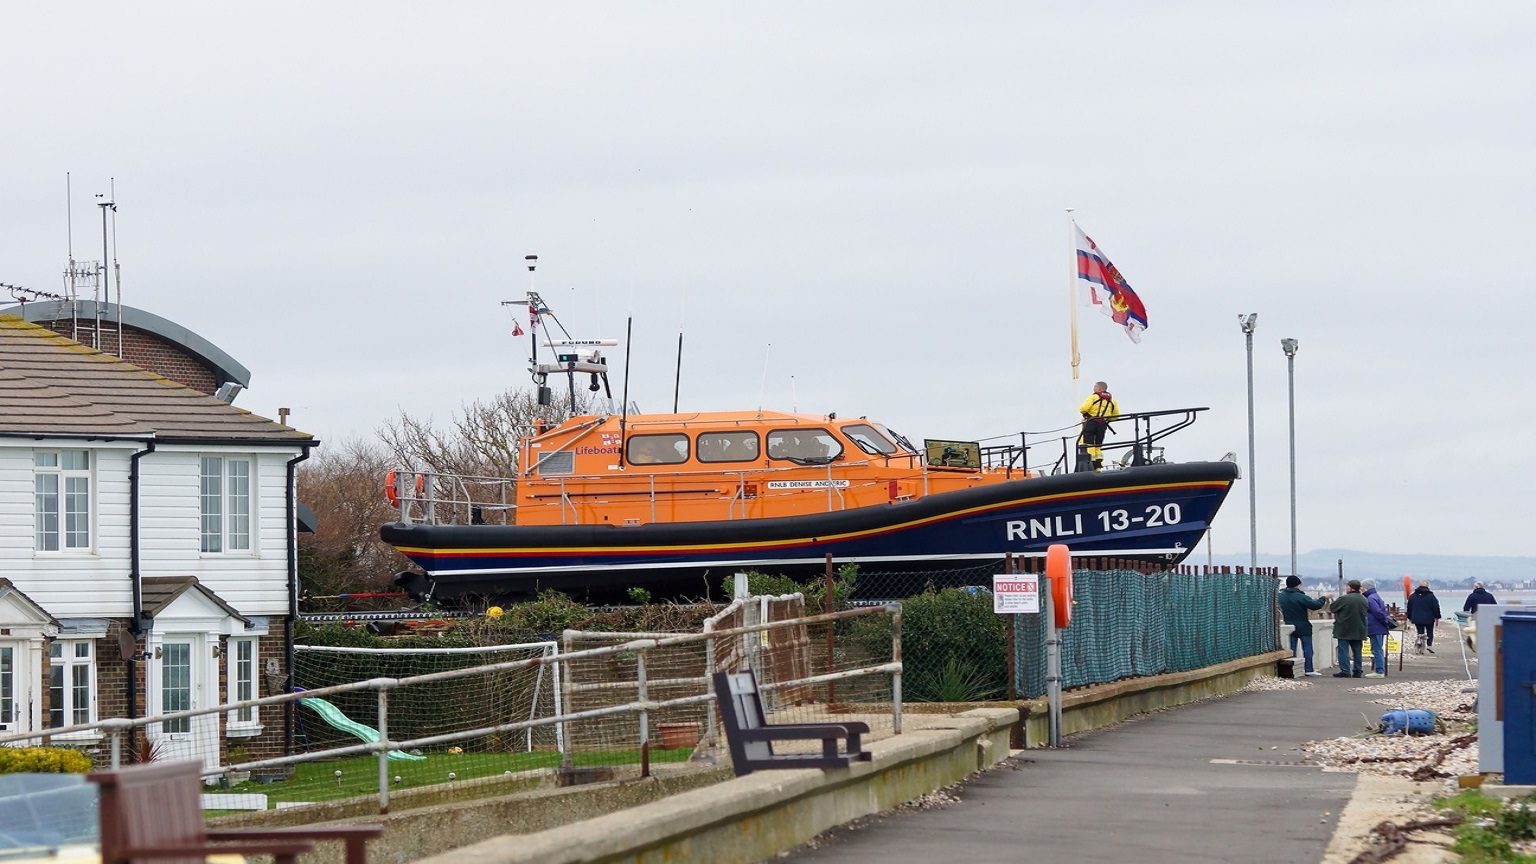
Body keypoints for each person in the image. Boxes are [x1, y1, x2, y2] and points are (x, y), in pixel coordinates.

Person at [1277, 575, 1330, 676]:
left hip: (1288, 626)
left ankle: (1292, 669)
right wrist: (1324, 598)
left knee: (1291, 650)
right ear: (1298, 585)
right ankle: (1308, 669)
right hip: (1303, 626)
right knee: (1307, 649)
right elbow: (1315, 605)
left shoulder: (1281, 596)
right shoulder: (1301, 596)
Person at [1077, 381, 1120, 471]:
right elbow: (1116, 416)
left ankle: (1090, 465)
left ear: (1100, 389)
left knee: (1088, 444)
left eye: (1095, 387)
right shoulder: (1112, 401)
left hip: (1091, 423)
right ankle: (1098, 467)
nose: (1093, 389)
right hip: (1102, 426)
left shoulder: (1093, 397)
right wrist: (1106, 419)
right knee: (1098, 445)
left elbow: (1083, 409)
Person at [1330, 580, 1368, 678]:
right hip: (1359, 629)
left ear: (1350, 588)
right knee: (1357, 651)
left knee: (1343, 651)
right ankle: (1357, 670)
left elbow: (1333, 608)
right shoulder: (1363, 599)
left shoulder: (1344, 598)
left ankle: (1345, 670)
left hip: (1344, 628)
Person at [1361, 578, 1394, 677]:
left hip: (1375, 627)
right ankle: (1379, 670)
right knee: (1378, 649)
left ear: (1366, 587)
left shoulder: (1370, 598)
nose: (1361, 589)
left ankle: (1379, 671)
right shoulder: (1375, 596)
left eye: (1362, 587)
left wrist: (1384, 620)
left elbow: (1377, 612)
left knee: (1376, 649)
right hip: (1379, 627)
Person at [1405, 580, 1442, 654]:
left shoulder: (1413, 596)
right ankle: (1429, 645)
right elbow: (1435, 607)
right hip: (1429, 618)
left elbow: (1409, 607)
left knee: (1420, 632)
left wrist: (1409, 616)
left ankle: (1419, 646)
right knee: (1430, 632)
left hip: (1417, 618)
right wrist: (1438, 616)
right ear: (1427, 586)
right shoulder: (1431, 596)